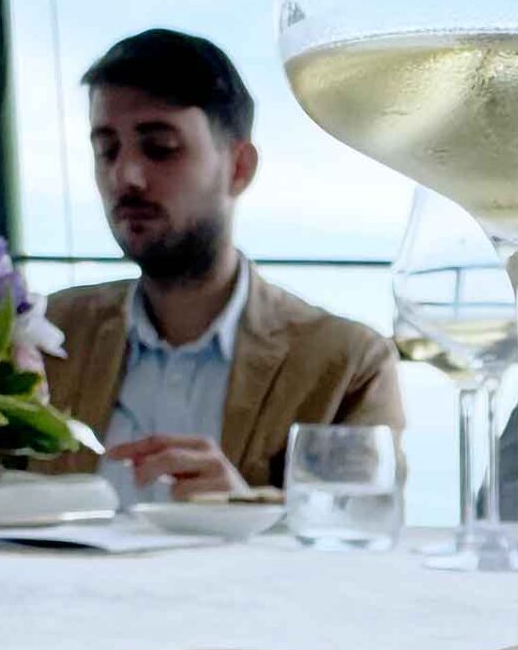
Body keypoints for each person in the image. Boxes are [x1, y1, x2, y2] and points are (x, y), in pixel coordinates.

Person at [43, 29, 401, 499]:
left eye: (160, 147)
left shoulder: (347, 363)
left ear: (239, 168)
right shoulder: (45, 336)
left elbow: (363, 529)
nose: (124, 176)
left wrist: (246, 510)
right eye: (106, 149)